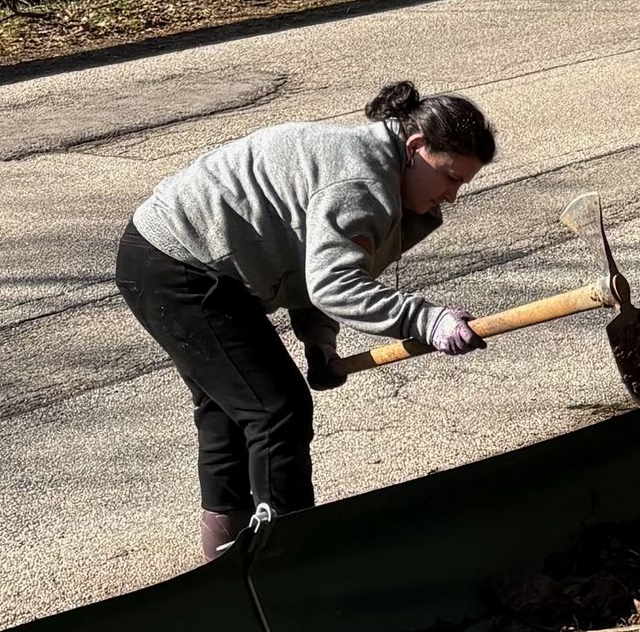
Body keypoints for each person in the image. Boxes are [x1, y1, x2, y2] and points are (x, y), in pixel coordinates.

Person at [117, 80, 499, 558]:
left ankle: (225, 564)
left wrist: (320, 342)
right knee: (276, 410)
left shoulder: (380, 175)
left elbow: (317, 265)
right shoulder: (361, 184)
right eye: (449, 178)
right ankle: (288, 562)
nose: (452, 196)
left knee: (232, 412)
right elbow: (334, 285)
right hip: (176, 263)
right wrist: (427, 319)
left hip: (179, 259)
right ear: (416, 147)